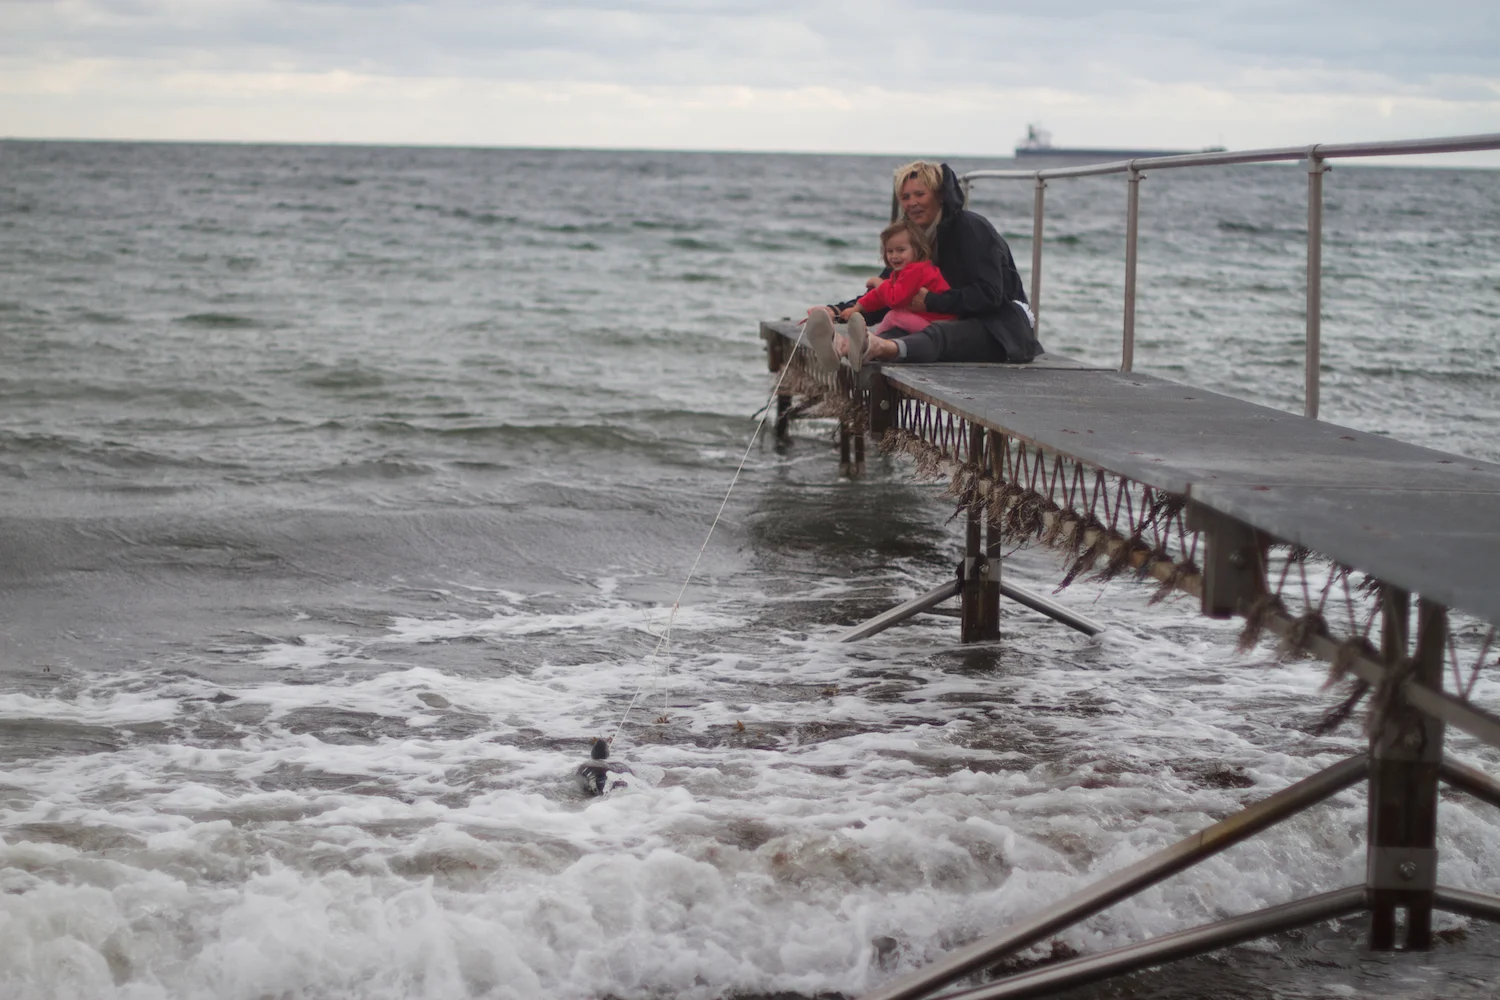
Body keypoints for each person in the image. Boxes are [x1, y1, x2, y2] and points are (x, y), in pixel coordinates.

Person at [804, 159, 1042, 368]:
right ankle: (841, 348)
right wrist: (836, 312)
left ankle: (877, 348)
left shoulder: (971, 228)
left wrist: (932, 301)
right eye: (905, 197)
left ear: (939, 195)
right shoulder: (914, 238)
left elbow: (990, 295)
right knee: (896, 324)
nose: (912, 203)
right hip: (949, 320)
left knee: (938, 333)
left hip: (1000, 329)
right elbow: (890, 292)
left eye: (920, 194)